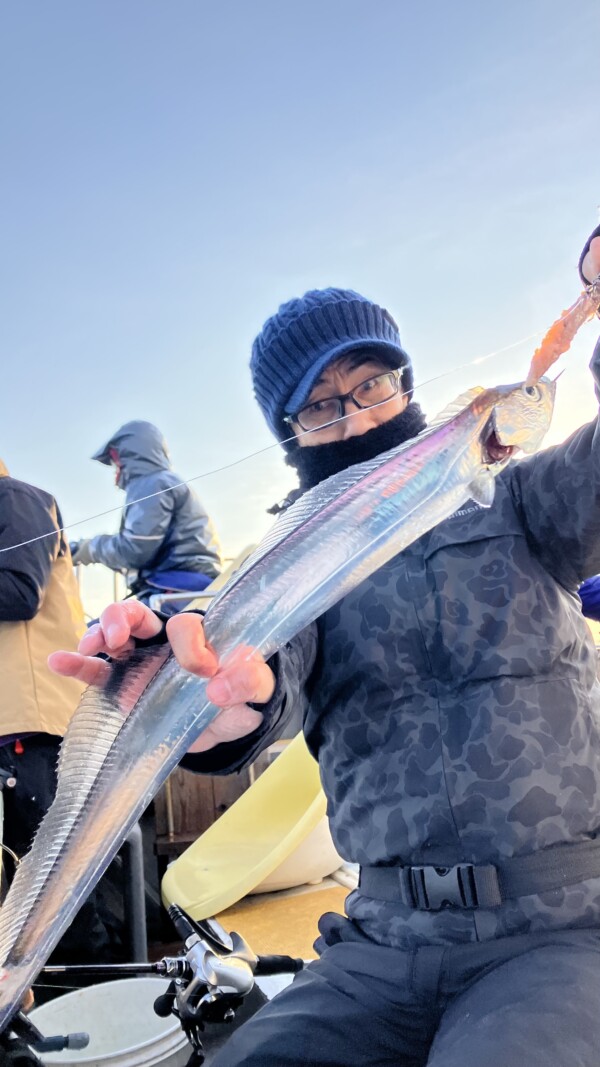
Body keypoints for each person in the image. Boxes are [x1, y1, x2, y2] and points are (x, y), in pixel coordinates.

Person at [52, 227, 600, 1066]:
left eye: (371, 383)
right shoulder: (291, 565)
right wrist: (212, 705)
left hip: (559, 931)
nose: (357, 415)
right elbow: (265, 683)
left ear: (404, 380)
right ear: (291, 432)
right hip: (377, 945)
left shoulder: (521, 497)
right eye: (321, 404)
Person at [0, 460, 110, 964]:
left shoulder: (18, 498)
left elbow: (20, 592)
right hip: (12, 731)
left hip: (32, 728)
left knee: (56, 896)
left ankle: (94, 1003)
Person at [70, 420, 222, 608]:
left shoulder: (152, 484)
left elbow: (136, 551)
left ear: (125, 458)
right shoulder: (164, 482)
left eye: (115, 464)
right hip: (186, 587)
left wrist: (87, 548)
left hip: (175, 592)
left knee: (97, 635)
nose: (115, 473)